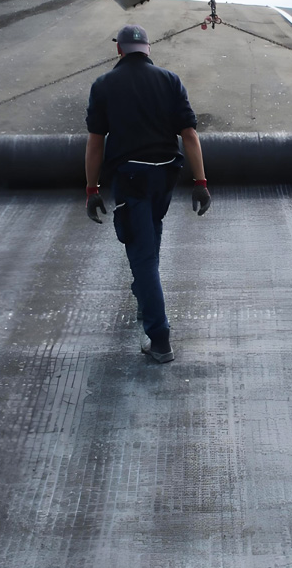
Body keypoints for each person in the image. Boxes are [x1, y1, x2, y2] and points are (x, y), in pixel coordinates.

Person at [84, 24, 211, 363]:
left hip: (131, 177)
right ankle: (143, 299)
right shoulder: (170, 81)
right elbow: (190, 135)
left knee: (141, 254)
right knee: (150, 235)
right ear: (148, 49)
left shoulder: (104, 85)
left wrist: (91, 188)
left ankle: (159, 338)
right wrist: (200, 183)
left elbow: (96, 142)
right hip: (166, 175)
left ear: (119, 50)